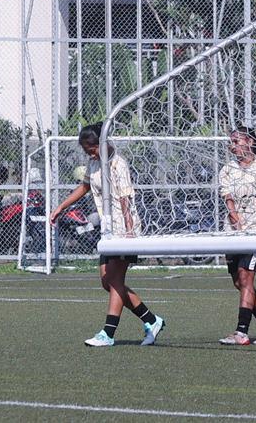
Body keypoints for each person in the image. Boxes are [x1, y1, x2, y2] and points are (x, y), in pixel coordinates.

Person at [49, 124, 165, 347]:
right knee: (107, 281)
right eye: (86, 151)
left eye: (91, 149)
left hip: (123, 227)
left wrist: (130, 232)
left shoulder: (118, 164)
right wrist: (60, 207)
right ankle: (151, 319)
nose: (90, 154)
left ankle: (108, 334)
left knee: (115, 281)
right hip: (107, 229)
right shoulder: (94, 162)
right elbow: (84, 187)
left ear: (102, 143)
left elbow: (125, 199)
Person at [218, 125, 256, 346]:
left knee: (246, 278)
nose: (232, 146)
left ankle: (241, 332)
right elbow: (228, 200)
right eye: (231, 142)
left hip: (254, 233)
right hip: (233, 234)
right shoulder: (227, 170)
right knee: (239, 281)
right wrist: (234, 218)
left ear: (250, 142)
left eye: (237, 141)